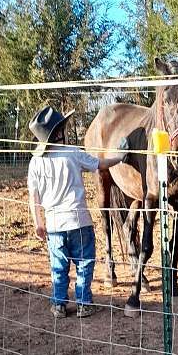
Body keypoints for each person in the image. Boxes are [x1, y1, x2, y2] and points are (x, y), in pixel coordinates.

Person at [27, 105, 128, 319]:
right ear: (59, 133)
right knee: (84, 264)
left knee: (58, 266)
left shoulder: (35, 162)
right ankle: (83, 303)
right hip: (79, 221)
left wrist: (38, 222)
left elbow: (33, 197)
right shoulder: (72, 153)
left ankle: (59, 304)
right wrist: (120, 156)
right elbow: (100, 164)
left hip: (53, 225)